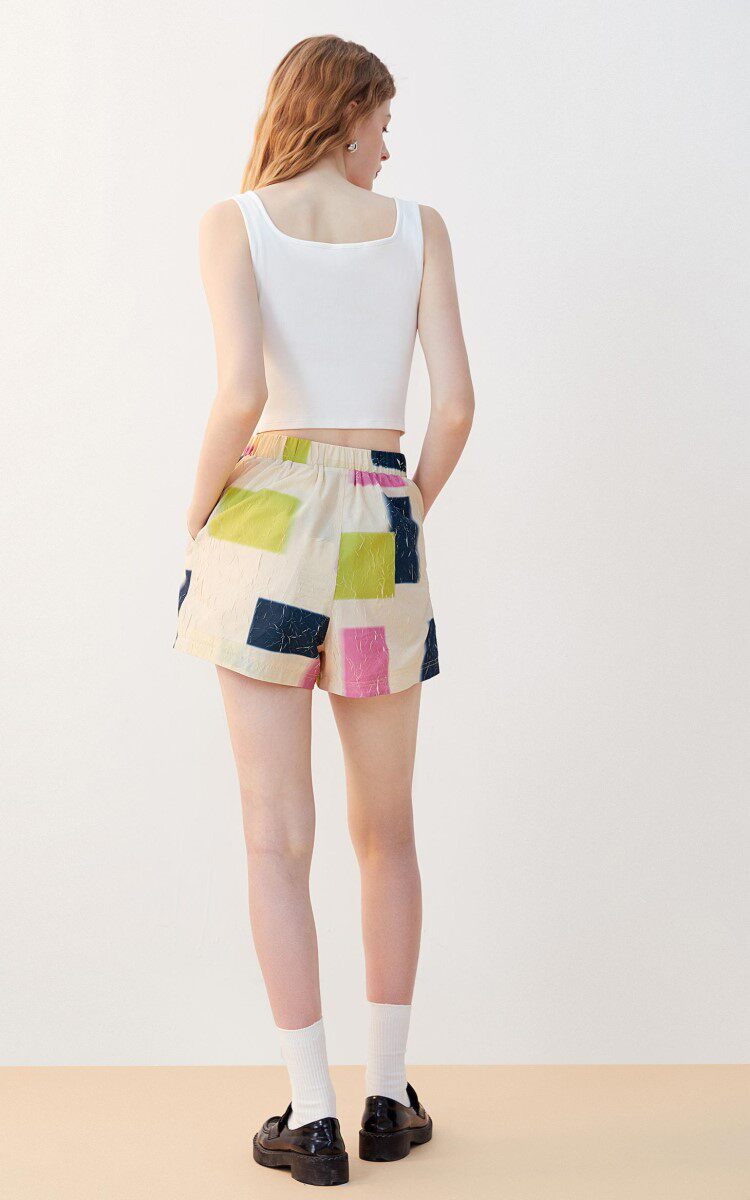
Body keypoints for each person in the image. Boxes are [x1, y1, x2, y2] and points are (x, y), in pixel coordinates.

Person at [172, 34, 473, 1187]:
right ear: (345, 116)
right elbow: (457, 407)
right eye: (382, 124)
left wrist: (197, 515)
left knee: (273, 835)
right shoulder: (419, 229)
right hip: (378, 515)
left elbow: (241, 393)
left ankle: (310, 1119)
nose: (387, 147)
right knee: (385, 830)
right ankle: (388, 1100)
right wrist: (404, 512)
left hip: (265, 519)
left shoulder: (234, 222)